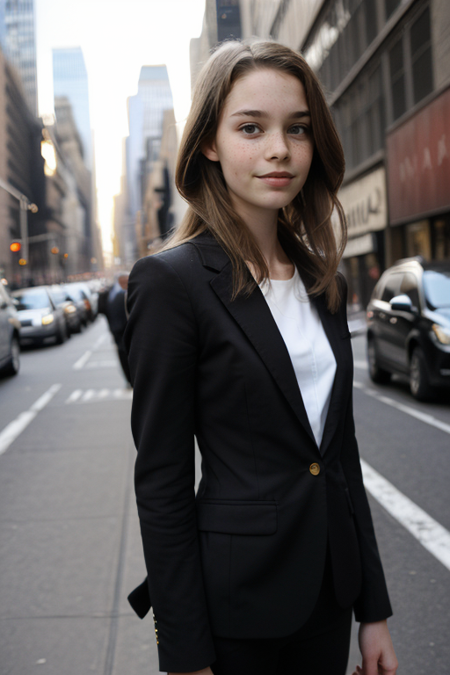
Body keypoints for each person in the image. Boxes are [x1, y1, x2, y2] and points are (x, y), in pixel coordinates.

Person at [124, 40, 398, 675]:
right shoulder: (172, 283)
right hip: (234, 610)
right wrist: (185, 655)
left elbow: (339, 458)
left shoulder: (324, 280)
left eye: (297, 129)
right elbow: (161, 481)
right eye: (252, 127)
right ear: (211, 144)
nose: (280, 149)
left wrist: (373, 610)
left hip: (329, 597)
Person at [103, 272, 131, 386]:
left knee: (125, 356)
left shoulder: (117, 293)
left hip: (120, 331)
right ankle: (130, 379)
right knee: (125, 356)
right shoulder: (118, 295)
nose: (127, 284)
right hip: (121, 332)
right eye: (125, 282)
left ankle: (130, 379)